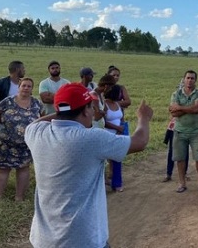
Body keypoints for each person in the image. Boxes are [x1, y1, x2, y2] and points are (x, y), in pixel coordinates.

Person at [24, 82, 153, 248]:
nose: (94, 112)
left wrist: (64, 112)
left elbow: (35, 123)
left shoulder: (36, 133)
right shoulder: (91, 138)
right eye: (91, 107)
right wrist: (143, 117)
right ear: (85, 110)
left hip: (43, 240)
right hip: (83, 239)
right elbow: (140, 142)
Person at [0, 77, 43, 201]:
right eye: (23, 85)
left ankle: (19, 197)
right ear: (19, 87)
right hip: (5, 143)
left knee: (23, 168)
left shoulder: (37, 103)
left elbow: (42, 118)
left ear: (32, 89)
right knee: (3, 168)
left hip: (26, 144)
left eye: (29, 86)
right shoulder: (7, 101)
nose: (26, 88)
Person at [169, 70, 198, 194]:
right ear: (184, 79)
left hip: (195, 132)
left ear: (195, 80)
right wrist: (190, 108)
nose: (190, 80)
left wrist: (180, 107)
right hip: (179, 131)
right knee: (180, 159)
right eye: (188, 78)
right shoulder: (176, 93)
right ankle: (182, 183)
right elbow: (173, 113)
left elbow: (197, 109)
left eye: (192, 78)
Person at [103, 85, 127, 192]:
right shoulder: (104, 104)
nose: (120, 95)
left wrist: (121, 129)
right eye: (119, 93)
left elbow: (121, 118)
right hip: (106, 135)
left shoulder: (118, 104)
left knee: (118, 159)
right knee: (103, 161)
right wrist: (117, 127)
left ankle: (117, 183)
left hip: (118, 135)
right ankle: (104, 182)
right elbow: (103, 122)